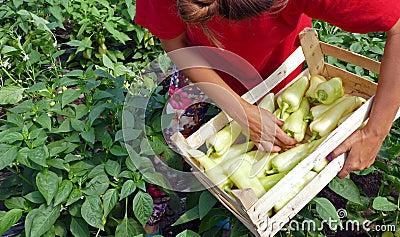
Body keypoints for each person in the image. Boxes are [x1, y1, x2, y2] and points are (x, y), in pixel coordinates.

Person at [136, 0, 400, 234]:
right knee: (175, 141)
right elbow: (174, 41)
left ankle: (225, 213)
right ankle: (161, 207)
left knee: (270, 149)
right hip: (200, 68)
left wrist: (375, 131)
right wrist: (238, 109)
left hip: (280, 71)